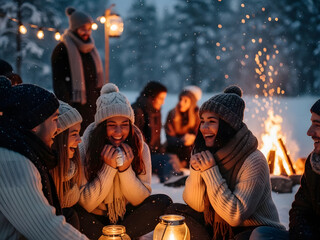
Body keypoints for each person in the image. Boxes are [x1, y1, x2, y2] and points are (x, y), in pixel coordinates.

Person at [166, 86, 285, 240]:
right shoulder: (207, 152)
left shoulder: (253, 160)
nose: (204, 128)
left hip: (253, 231)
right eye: (202, 121)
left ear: (228, 125)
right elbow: (197, 205)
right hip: (220, 227)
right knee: (175, 213)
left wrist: (210, 171)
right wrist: (196, 172)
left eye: (211, 121)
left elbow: (234, 216)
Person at [76, 83, 172, 240]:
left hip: (127, 217)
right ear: (101, 127)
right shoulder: (84, 147)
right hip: (95, 217)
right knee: (71, 212)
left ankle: (119, 236)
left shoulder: (140, 147)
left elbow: (140, 199)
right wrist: (108, 168)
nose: (119, 132)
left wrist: (125, 170)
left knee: (162, 202)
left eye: (124, 125)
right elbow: (86, 204)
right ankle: (109, 235)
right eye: (112, 125)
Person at [0, 77, 88, 239]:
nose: (57, 128)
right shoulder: (12, 161)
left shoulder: (19, 152)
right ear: (34, 123)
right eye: (55, 120)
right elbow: (46, 228)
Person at [51, 7, 104, 134]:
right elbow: (59, 83)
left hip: (93, 107)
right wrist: (68, 108)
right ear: (75, 29)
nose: (87, 32)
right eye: (83, 29)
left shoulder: (91, 49)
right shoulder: (62, 49)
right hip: (74, 108)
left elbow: (95, 80)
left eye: (89, 29)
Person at [132, 81, 181, 183]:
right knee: (168, 160)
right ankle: (168, 183)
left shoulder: (155, 111)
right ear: (151, 97)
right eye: (161, 99)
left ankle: (175, 179)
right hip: (141, 157)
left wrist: (160, 151)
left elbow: (156, 140)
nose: (163, 102)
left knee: (173, 157)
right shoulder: (137, 111)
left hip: (153, 153)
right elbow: (137, 142)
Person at [287, 99, 320, 239]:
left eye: (317, 125)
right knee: (262, 233)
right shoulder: (314, 164)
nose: (309, 132)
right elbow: (299, 210)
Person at [51, 100, 83, 228]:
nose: (80, 140)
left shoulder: (72, 169)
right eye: (74, 134)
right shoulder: (42, 173)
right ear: (59, 138)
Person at [165, 85, 202, 168]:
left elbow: (200, 136)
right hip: (175, 148)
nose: (181, 103)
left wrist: (192, 139)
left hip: (191, 149)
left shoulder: (198, 115)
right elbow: (169, 137)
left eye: (185, 100)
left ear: (191, 103)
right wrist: (181, 141)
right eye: (180, 99)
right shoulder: (172, 114)